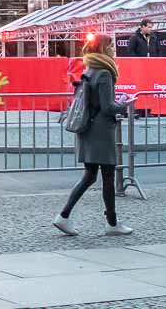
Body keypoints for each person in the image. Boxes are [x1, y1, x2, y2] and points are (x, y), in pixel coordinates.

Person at [53, 33, 132, 237]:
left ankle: (64, 216)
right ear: (105, 49)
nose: (114, 50)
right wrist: (125, 105)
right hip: (101, 132)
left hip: (88, 128)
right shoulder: (105, 73)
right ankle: (112, 224)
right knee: (107, 177)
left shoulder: (90, 69)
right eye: (111, 47)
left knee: (89, 176)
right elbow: (107, 107)